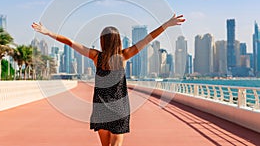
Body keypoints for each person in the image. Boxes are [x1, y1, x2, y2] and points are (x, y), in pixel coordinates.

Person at [31, 14, 185, 146]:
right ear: (118, 41)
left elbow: (70, 42)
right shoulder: (125, 56)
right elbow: (148, 38)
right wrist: (167, 24)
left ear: (102, 41)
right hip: (119, 108)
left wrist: (48, 32)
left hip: (101, 108)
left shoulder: (96, 56)